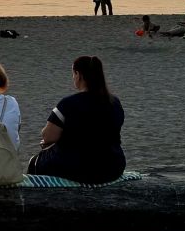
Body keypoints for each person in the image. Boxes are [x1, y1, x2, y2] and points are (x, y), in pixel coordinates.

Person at [28, 55, 127, 183]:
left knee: (35, 161)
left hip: (77, 167)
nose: (73, 78)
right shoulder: (115, 102)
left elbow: (48, 136)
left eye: (73, 74)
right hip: (112, 166)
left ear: (78, 74)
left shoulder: (68, 103)